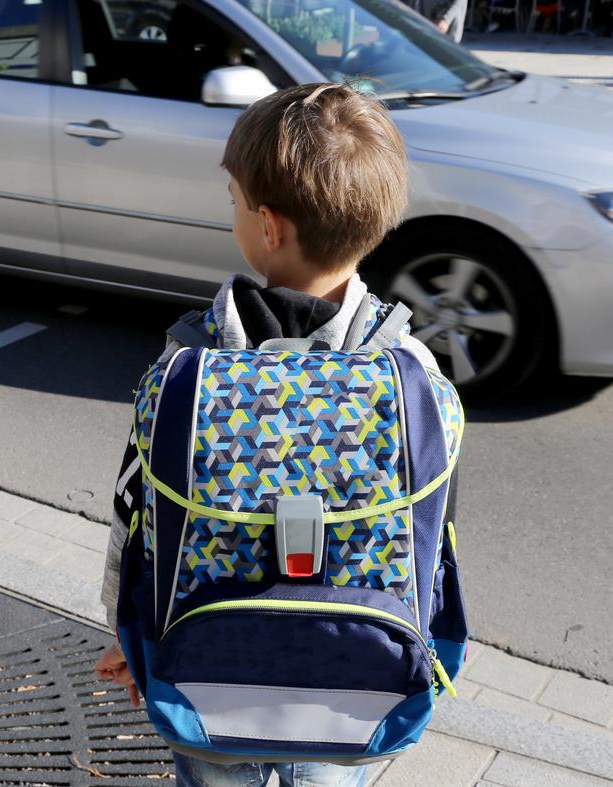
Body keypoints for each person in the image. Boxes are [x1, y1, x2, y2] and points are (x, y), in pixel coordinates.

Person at [94, 82, 428, 787]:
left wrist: (133, 633)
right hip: (354, 684)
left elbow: (137, 517)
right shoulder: (410, 373)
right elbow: (430, 539)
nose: (235, 213)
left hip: (210, 673)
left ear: (268, 228)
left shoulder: (189, 367)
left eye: (237, 201)